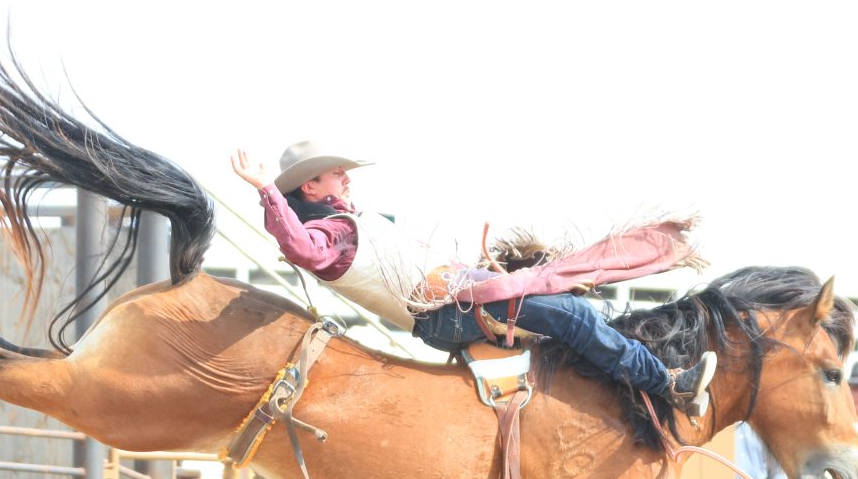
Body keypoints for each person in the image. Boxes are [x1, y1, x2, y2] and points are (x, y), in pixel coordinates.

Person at [231, 142, 716, 417]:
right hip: (447, 313)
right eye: (338, 174)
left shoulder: (348, 222)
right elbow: (301, 248)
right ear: (311, 186)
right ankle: (667, 384)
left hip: (455, 302)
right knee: (572, 314)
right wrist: (267, 189)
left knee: (564, 294)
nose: (347, 178)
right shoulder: (331, 233)